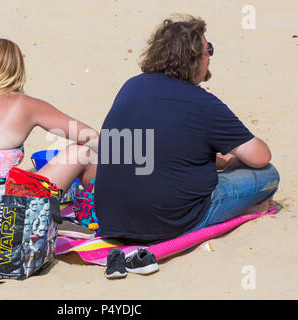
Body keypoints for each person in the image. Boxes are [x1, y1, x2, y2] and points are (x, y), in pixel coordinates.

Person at [94, 15, 280, 245]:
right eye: (207, 50)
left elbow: (155, 147)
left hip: (110, 220)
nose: (210, 57)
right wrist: (231, 163)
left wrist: (210, 160)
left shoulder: (131, 85)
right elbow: (260, 156)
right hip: (166, 225)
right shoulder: (202, 102)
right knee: (268, 175)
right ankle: (235, 214)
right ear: (194, 58)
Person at [0, 38, 98, 236]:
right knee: (83, 152)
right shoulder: (28, 105)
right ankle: (97, 205)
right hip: (1, 221)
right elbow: (90, 136)